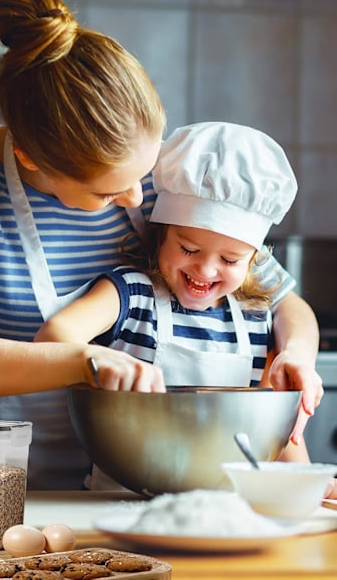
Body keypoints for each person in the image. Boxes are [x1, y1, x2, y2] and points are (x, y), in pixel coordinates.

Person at [0, 0, 323, 491]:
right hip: (0, 492)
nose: (139, 199)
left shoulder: (169, 178)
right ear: (31, 158)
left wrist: (296, 355)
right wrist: (82, 359)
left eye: (144, 174)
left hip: (131, 495)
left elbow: (282, 300)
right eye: (109, 192)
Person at [34, 121, 320, 489]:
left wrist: (307, 483)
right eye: (188, 249)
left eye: (230, 260)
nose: (205, 269)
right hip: (121, 499)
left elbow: (278, 430)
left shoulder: (253, 317)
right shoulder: (131, 294)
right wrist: (99, 364)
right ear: (160, 235)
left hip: (225, 506)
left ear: (254, 262)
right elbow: (54, 335)